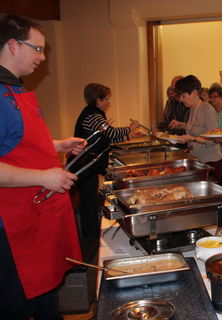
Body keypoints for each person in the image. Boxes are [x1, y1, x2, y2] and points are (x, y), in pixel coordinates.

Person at [0, 14, 86, 319]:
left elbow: (18, 147)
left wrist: (59, 145)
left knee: (47, 301)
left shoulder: (17, 91)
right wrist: (43, 177)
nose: (43, 56)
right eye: (37, 49)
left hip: (37, 220)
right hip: (12, 230)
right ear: (12, 45)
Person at [73, 83, 142, 239]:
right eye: (105, 99)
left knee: (90, 200)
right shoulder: (92, 115)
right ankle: (90, 238)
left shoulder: (95, 115)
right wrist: (129, 128)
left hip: (89, 165)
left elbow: (105, 138)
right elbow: (110, 132)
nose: (108, 102)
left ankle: (91, 235)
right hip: (85, 165)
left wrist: (129, 136)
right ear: (97, 100)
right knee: (88, 202)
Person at [169, 75, 222, 182]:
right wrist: (180, 124)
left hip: (211, 162)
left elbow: (215, 139)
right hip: (198, 160)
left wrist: (192, 139)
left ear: (194, 93)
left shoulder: (206, 109)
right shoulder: (193, 108)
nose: (181, 100)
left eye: (183, 96)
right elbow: (196, 127)